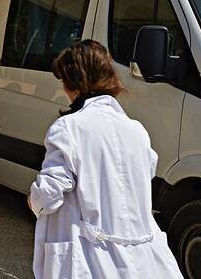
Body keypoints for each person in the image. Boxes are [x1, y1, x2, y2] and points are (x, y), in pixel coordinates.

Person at [28, 40, 182, 278]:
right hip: (139, 261)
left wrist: (33, 200)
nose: (64, 91)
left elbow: (50, 192)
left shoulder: (69, 128)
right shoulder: (137, 130)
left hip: (88, 259)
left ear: (76, 84)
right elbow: (144, 175)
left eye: (64, 82)